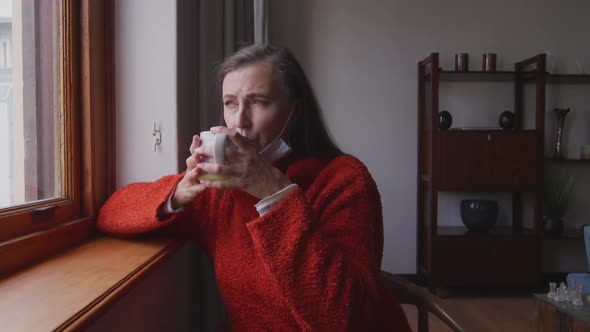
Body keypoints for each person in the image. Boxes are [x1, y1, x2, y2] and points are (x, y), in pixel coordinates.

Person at [97, 43, 411, 332]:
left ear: (295, 111)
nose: (240, 122)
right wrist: (179, 192)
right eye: (230, 104)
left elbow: (342, 320)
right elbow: (111, 213)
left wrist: (275, 193)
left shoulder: (345, 179)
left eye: (259, 102)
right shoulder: (219, 192)